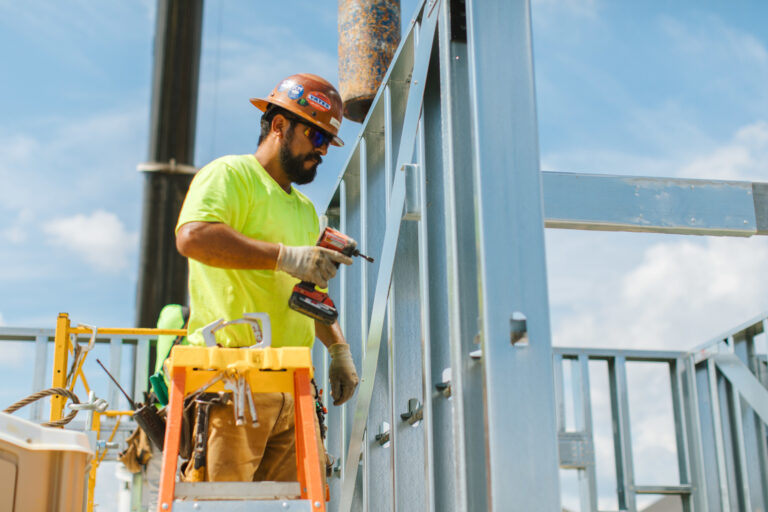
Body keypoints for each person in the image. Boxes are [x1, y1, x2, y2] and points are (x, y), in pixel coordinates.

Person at [174, 73, 359, 483]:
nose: (323, 150)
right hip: (232, 379)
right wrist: (284, 256)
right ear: (279, 126)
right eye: (315, 136)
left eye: (328, 142)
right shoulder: (231, 175)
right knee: (221, 506)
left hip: (293, 387)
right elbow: (193, 237)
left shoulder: (306, 210)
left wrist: (338, 349)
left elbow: (310, 294)